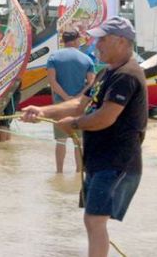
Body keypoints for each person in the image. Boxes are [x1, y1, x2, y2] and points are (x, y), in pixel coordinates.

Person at [21, 17, 147, 257]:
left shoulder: (127, 75)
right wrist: (43, 111)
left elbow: (106, 116)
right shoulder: (106, 73)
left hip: (118, 162)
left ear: (121, 41)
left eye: (102, 39)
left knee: (94, 220)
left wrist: (75, 124)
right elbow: (80, 103)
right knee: (93, 220)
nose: (96, 44)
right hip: (101, 160)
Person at [46, 29, 96, 172]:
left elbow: (52, 81)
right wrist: (78, 96)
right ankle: (79, 172)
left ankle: (59, 172)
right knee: (78, 142)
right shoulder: (87, 59)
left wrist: (66, 97)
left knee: (61, 141)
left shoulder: (53, 57)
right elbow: (91, 83)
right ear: (76, 40)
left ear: (63, 41)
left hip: (60, 104)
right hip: (79, 104)